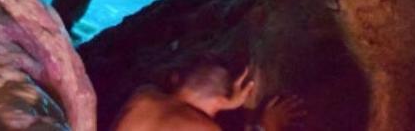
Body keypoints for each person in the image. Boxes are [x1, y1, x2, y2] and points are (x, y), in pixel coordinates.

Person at [111, 60, 304, 131]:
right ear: (223, 101)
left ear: (175, 79)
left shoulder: (143, 94)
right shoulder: (204, 128)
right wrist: (267, 125)